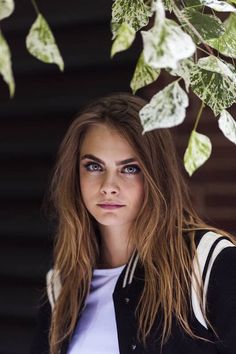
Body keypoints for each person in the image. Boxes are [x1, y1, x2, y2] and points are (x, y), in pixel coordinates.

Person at [30, 92, 236, 354]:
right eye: (94, 166)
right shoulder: (63, 284)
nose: (108, 187)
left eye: (129, 168)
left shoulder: (208, 262)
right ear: (76, 174)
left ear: (155, 175)